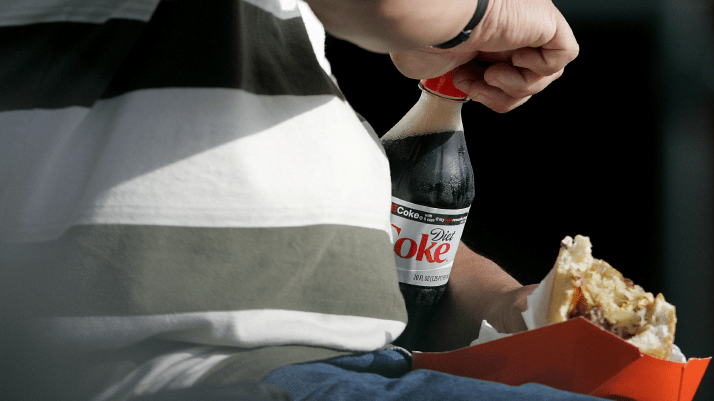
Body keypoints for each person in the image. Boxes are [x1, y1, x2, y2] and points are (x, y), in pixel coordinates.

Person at [0, 0, 586, 399]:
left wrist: (505, 307)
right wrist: (486, 12)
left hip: (326, 371)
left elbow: (325, 245)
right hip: (197, 373)